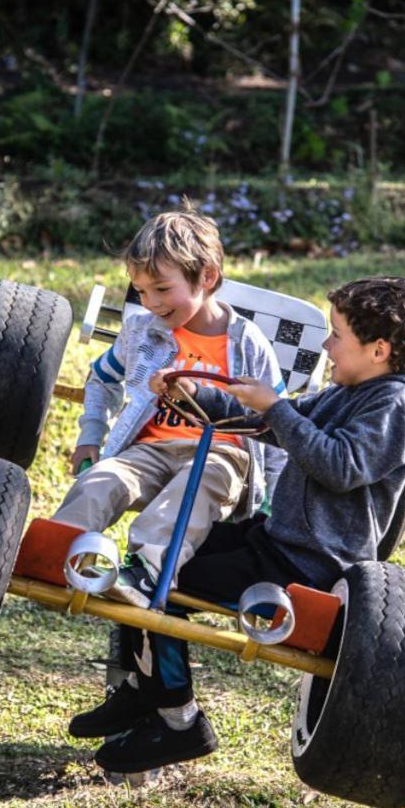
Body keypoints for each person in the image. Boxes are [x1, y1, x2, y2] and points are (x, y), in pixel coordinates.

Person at [74, 275, 405, 776]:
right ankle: (144, 690)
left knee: (163, 576)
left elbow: (340, 466)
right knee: (154, 554)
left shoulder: (395, 406)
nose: (326, 345)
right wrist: (199, 396)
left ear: (379, 350)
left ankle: (177, 720)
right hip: (277, 540)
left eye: (338, 335)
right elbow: (266, 426)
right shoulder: (352, 390)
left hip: (311, 562)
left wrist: (276, 408)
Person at [54, 204, 285, 617]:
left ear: (208, 277)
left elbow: (281, 422)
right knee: (102, 480)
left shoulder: (248, 344)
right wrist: (92, 434)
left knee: (188, 494)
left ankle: (144, 572)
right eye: (140, 291)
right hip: (150, 449)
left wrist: (274, 501)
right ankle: (57, 552)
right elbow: (102, 379)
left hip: (221, 455)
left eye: (162, 289)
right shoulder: (142, 332)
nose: (150, 302)